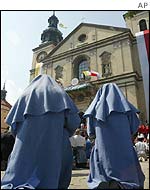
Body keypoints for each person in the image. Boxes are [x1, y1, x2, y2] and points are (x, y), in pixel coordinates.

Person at [1, 74, 81, 189]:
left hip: (26, 144)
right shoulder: (60, 94)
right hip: (54, 143)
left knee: (21, 167)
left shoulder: (24, 95)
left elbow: (13, 125)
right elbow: (73, 123)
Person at [83, 83, 145, 189]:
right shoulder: (127, 109)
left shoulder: (93, 111)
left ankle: (104, 181)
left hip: (103, 150)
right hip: (124, 147)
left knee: (101, 167)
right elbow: (135, 127)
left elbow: (90, 132)